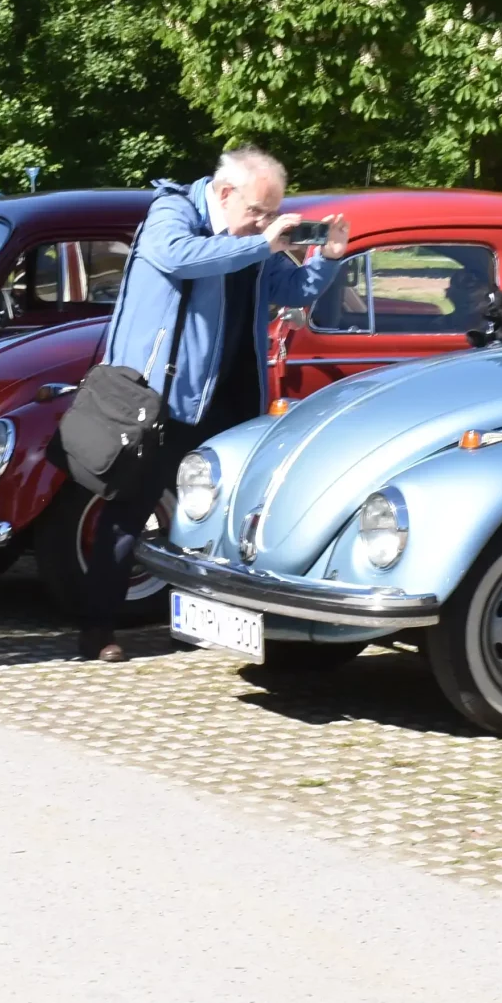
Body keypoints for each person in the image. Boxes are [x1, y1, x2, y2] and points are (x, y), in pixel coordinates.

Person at [78, 149, 350, 661]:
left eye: (272, 214)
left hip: (234, 397)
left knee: (228, 515)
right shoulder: (173, 212)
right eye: (257, 211)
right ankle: (98, 628)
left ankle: (217, 619)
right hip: (166, 399)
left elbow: (291, 290)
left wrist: (329, 258)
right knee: (130, 510)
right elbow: (178, 256)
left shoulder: (255, 237)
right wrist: (261, 242)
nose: (263, 223)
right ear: (225, 194)